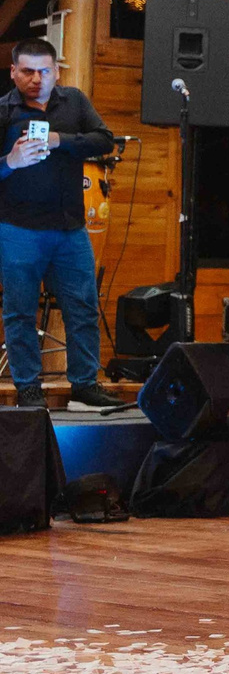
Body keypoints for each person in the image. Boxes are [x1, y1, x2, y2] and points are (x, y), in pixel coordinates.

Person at [0, 39, 118, 411]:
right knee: (20, 311)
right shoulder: (2, 111)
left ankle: (84, 384)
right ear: (14, 72)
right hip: (18, 228)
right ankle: (28, 386)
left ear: (56, 70)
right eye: (28, 71)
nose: (37, 78)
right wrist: (10, 161)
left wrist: (59, 139)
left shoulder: (75, 101)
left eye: (45, 70)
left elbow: (105, 141)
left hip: (70, 228)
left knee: (82, 307)